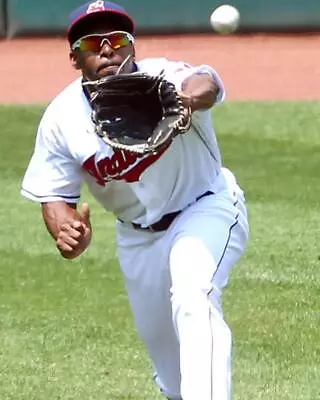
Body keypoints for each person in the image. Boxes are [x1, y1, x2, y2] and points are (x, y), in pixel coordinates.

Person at [21, 1, 249, 399]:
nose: (107, 49)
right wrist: (66, 230)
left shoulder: (166, 77)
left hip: (204, 207)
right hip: (138, 239)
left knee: (194, 295)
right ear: (75, 58)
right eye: (92, 43)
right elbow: (55, 197)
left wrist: (185, 99)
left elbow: (206, 82)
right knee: (173, 373)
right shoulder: (61, 119)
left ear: (132, 47)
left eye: (117, 40)